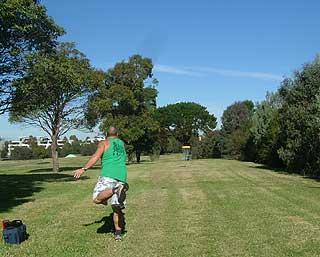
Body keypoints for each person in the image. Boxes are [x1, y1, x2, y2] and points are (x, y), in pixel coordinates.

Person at [73, 126, 129, 241]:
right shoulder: (121, 143)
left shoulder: (104, 143)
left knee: (96, 199)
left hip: (108, 174)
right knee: (116, 208)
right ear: (117, 134)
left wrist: (83, 169)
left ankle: (114, 190)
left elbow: (95, 156)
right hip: (121, 176)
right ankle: (118, 233)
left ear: (105, 134)